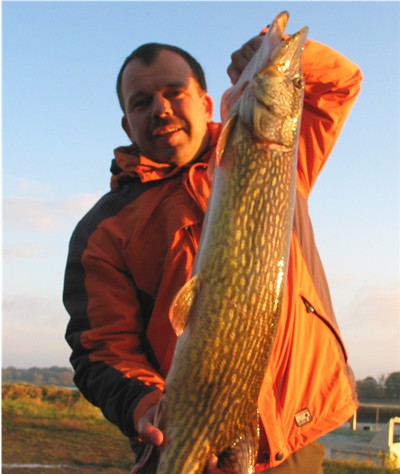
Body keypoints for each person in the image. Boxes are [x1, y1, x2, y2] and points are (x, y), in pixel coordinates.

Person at [63, 22, 362, 473]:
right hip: (184, 437)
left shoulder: (283, 152)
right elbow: (103, 349)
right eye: (141, 102)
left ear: (206, 104)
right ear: (127, 123)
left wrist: (286, 58)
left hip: (292, 440)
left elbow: (340, 84)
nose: (161, 109)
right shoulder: (104, 230)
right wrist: (146, 406)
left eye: (174, 92)